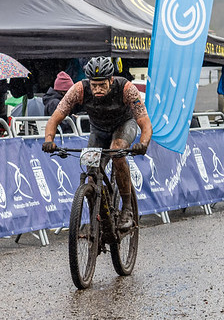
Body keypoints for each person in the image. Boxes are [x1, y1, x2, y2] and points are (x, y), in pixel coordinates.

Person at [42, 57, 152, 230]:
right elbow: (54, 119)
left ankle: (127, 209)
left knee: (117, 151)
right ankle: (98, 215)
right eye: (94, 85)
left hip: (123, 125)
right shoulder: (79, 89)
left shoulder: (126, 88)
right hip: (99, 131)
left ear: (111, 80)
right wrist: (49, 140)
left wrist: (143, 143)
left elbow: (144, 122)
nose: (98, 89)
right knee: (91, 170)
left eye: (102, 85)